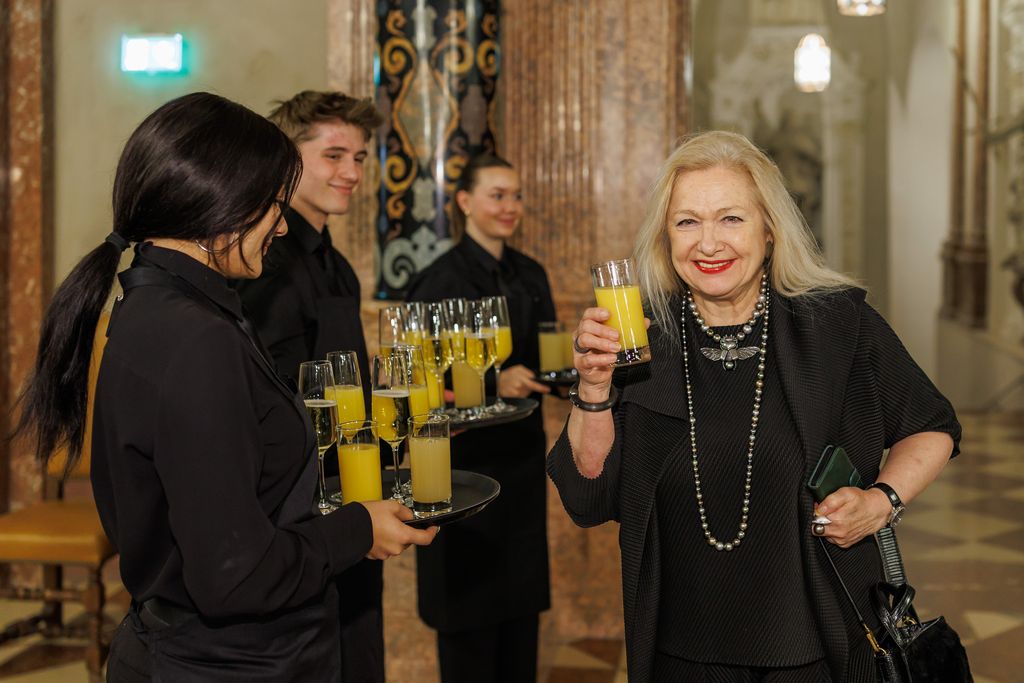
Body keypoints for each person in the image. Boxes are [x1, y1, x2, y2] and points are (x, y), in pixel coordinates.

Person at [14, 92, 436, 681]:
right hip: (230, 661)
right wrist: (359, 528)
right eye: (271, 204)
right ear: (222, 202)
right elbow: (236, 574)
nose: (282, 224)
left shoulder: (156, 307)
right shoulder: (196, 338)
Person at [547, 130, 961, 683]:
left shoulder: (837, 326)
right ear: (665, 237)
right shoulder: (639, 338)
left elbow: (933, 427)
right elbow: (589, 494)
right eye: (687, 221)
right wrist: (594, 389)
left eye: (731, 219)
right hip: (682, 653)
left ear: (770, 230)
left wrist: (882, 501)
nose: (708, 243)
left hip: (820, 645)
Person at [234, 90, 387, 682]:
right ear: (287, 159)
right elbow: (265, 398)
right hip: (300, 511)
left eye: (361, 158)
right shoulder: (264, 262)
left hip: (350, 486)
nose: (351, 172)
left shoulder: (335, 262)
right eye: (334, 155)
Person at [405, 154, 554, 683]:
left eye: (516, 195)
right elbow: (416, 385)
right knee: (466, 618)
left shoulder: (531, 273)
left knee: (520, 620)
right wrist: (495, 381)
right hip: (460, 469)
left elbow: (542, 363)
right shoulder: (435, 282)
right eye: (497, 195)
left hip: (521, 461)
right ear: (464, 202)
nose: (510, 206)